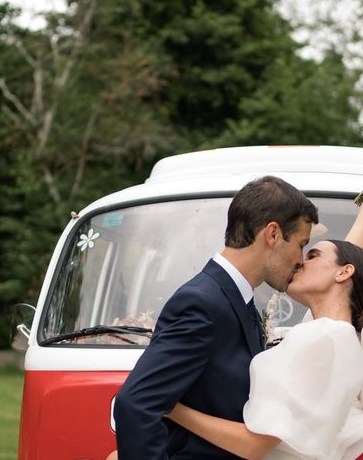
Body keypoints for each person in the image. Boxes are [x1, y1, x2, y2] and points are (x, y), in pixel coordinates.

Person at [163, 162, 363, 460]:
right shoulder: (338, 333)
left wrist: (172, 408)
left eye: (313, 254)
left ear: (344, 274)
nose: (299, 261)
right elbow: (350, 255)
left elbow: (253, 445)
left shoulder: (323, 338)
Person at [113, 175, 319, 460]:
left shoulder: (236, 299)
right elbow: (136, 404)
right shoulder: (201, 304)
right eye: (301, 244)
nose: (301, 259)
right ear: (272, 234)